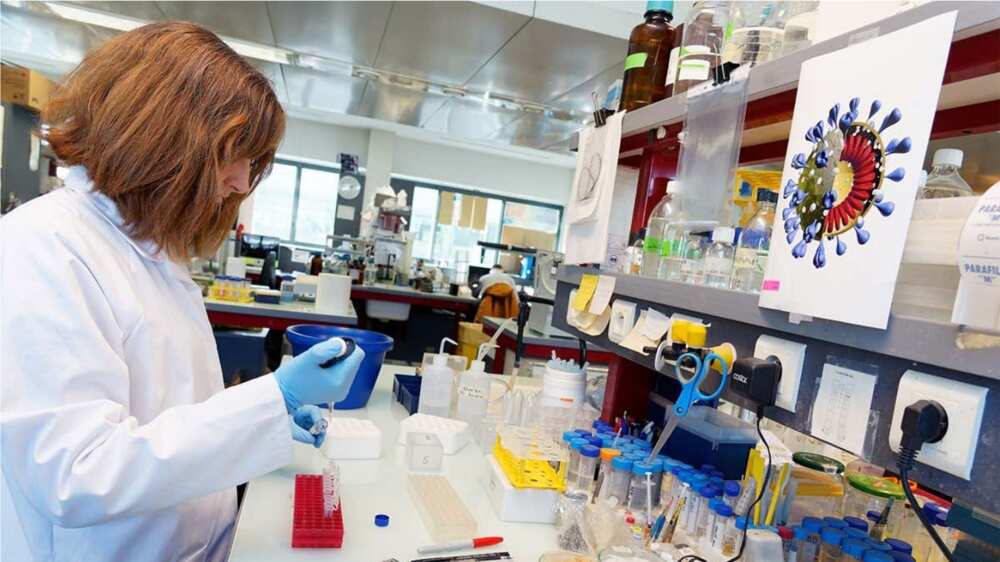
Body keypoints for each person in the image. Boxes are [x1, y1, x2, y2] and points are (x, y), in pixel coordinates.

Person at [0, 22, 364, 561]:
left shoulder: (150, 247)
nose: (241, 182)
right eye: (232, 154)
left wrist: (264, 417)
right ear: (163, 137)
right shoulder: (43, 248)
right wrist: (269, 400)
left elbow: (174, 410)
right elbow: (77, 472)